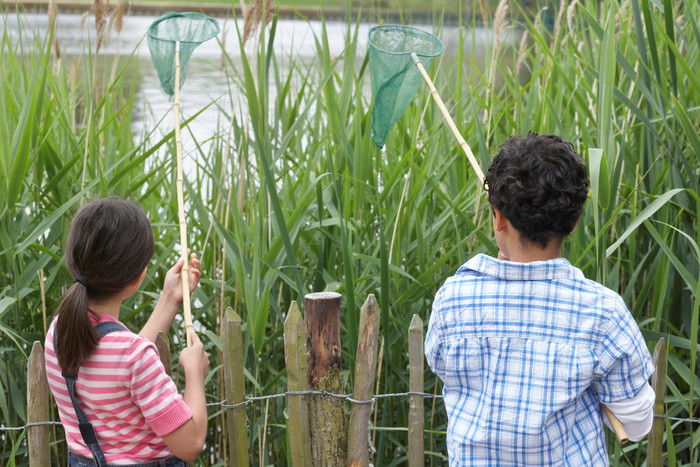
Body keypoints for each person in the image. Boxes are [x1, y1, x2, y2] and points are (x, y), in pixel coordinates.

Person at [425, 132, 655, 466]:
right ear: (574, 223)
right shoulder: (601, 312)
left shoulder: (454, 299)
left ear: (499, 218)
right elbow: (635, 425)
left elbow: (441, 364)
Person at [44, 198, 210, 466]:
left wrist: (170, 297)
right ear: (138, 278)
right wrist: (194, 375)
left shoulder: (58, 331)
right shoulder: (133, 356)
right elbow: (190, 445)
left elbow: (122, 368)